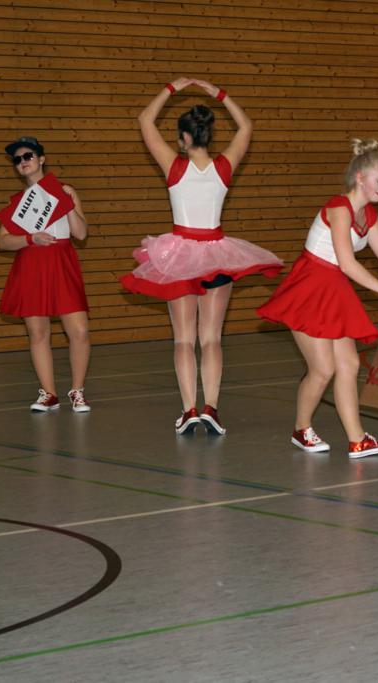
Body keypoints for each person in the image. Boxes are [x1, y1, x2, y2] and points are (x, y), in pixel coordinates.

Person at [258, 139, 378, 455]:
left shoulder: (369, 216)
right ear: (360, 177)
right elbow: (347, 263)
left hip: (334, 287)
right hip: (310, 286)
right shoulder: (338, 208)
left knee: (349, 363)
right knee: (323, 369)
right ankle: (301, 429)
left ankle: (357, 439)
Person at [121, 78, 283, 435]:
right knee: (211, 338)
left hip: (180, 257)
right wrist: (219, 94)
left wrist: (171, 88)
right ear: (208, 135)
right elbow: (246, 126)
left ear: (183, 138)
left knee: (183, 339)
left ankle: (189, 410)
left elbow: (145, 120)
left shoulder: (174, 166)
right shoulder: (224, 167)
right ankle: (211, 407)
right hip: (216, 256)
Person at [0, 136, 92, 412]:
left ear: (41, 159)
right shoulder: (18, 203)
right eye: (17, 159)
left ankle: (77, 390)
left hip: (61, 262)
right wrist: (30, 238)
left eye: (28, 156)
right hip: (31, 264)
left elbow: (81, 233)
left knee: (80, 330)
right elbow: (3, 242)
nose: (23, 162)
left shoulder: (65, 191)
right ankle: (48, 393)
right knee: (38, 332)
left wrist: (68, 203)